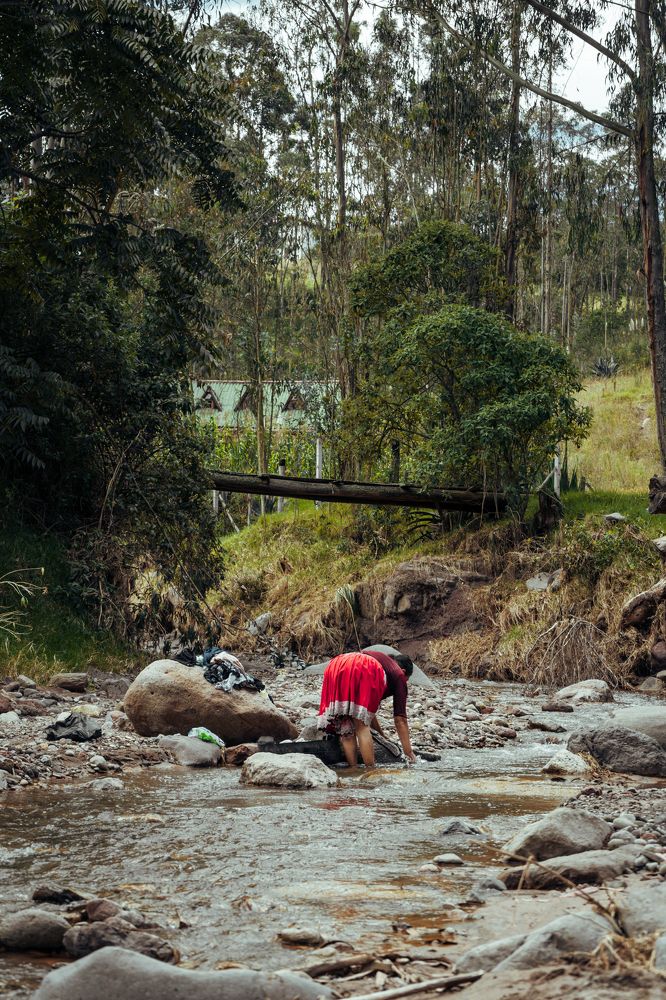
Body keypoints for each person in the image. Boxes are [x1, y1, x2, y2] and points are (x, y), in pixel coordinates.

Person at [316, 647, 416, 767]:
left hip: (337, 664)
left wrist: (382, 737)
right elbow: (400, 720)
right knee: (362, 726)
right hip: (364, 666)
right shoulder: (399, 675)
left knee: (345, 725)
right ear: (404, 672)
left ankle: (354, 770)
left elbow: (368, 712)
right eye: (406, 680)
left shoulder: (385, 664)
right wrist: (409, 753)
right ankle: (370, 772)